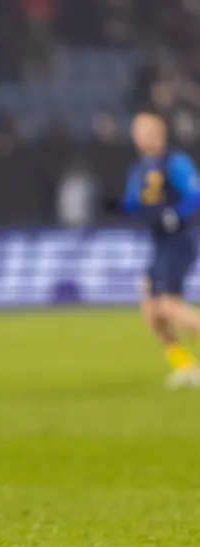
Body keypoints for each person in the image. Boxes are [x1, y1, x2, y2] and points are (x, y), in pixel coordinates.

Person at [109, 113, 200, 388]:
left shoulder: (175, 162)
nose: (140, 135)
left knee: (168, 306)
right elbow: (134, 203)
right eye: (137, 130)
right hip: (158, 244)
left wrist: (177, 214)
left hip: (178, 241)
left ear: (159, 132)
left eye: (145, 129)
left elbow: (195, 194)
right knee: (151, 309)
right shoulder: (138, 169)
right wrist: (117, 206)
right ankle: (185, 366)